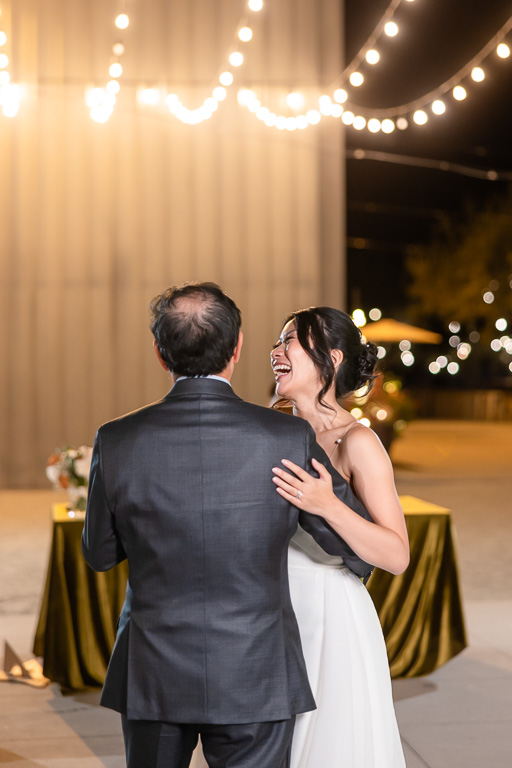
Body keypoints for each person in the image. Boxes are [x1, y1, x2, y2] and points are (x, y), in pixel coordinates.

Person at [82, 283, 374, 768]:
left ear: (160, 353)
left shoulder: (117, 440)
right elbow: (355, 548)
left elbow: (100, 554)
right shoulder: (286, 436)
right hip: (255, 671)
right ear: (236, 347)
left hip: (154, 671)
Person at [269, 306, 409, 768]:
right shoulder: (266, 428)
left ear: (330, 358)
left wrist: (328, 505)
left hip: (330, 614)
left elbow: (396, 553)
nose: (277, 350)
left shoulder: (357, 442)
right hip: (268, 611)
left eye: (291, 340)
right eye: (278, 340)